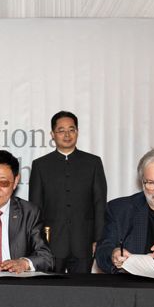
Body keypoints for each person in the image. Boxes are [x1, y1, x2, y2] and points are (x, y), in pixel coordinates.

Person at [29, 111, 107, 273]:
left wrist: (98, 240)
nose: (67, 135)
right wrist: (38, 242)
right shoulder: (41, 165)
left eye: (71, 130)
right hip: (51, 243)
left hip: (84, 242)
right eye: (61, 130)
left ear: (77, 132)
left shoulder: (93, 163)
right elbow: (35, 207)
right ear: (52, 134)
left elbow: (100, 203)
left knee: (82, 287)